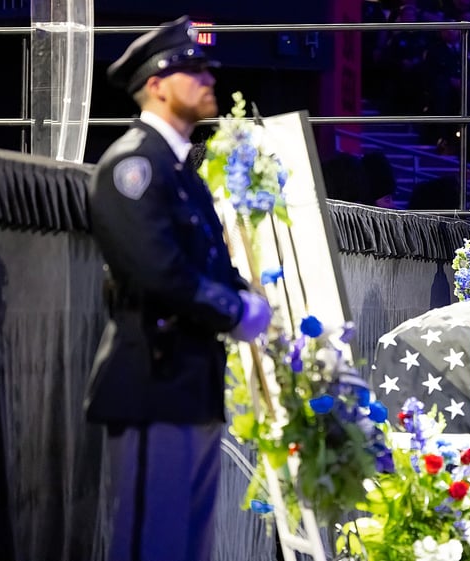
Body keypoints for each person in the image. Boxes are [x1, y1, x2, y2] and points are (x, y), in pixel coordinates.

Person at [84, 16, 272, 561]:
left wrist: (248, 298)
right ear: (157, 85)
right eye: (193, 71)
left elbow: (208, 262)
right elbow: (159, 272)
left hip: (190, 383)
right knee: (154, 544)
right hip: (154, 382)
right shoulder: (135, 164)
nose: (209, 79)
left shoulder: (179, 170)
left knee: (189, 546)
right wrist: (234, 309)